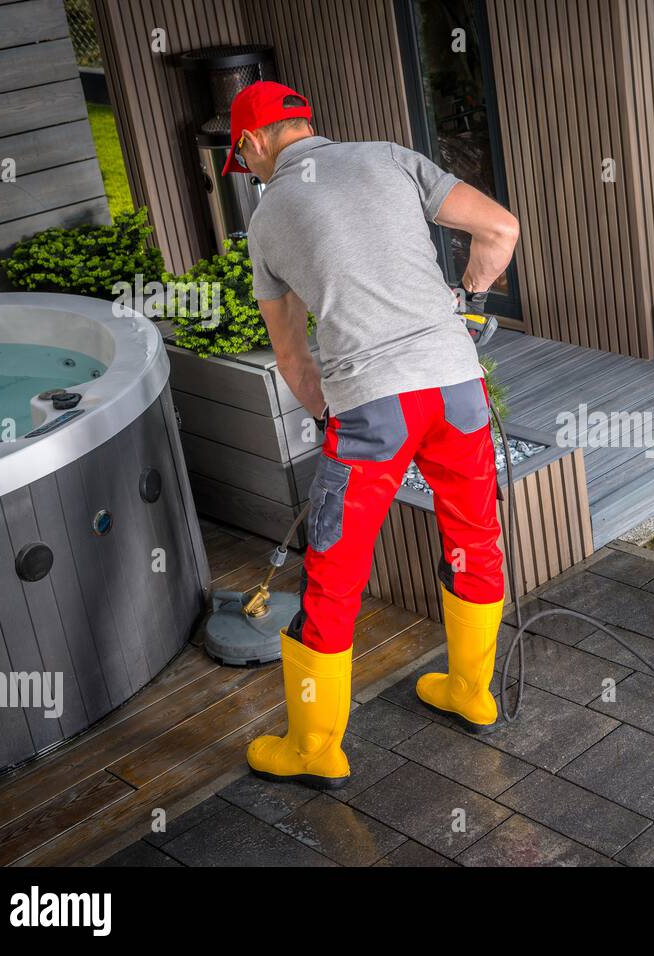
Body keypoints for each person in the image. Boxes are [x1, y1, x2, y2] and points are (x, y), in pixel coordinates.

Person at [222, 81, 519, 789]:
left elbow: (292, 356)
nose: (249, 170)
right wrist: (466, 301)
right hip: (458, 391)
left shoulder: (268, 219)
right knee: (475, 538)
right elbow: (500, 229)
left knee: (335, 572)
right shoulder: (390, 157)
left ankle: (314, 747)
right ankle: (472, 692)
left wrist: (333, 416)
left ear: (255, 141)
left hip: (373, 411)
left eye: (243, 159)